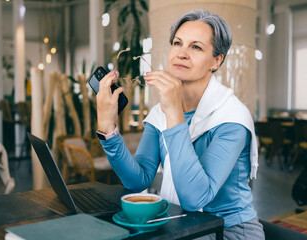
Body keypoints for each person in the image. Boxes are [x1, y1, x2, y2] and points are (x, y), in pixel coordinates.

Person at [95, 9, 264, 239]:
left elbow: (195, 198)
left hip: (230, 231)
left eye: (196, 47)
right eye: (177, 43)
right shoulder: (159, 113)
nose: (182, 54)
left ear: (216, 60)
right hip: (182, 223)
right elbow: (138, 181)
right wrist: (108, 129)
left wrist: (174, 113)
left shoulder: (232, 118)